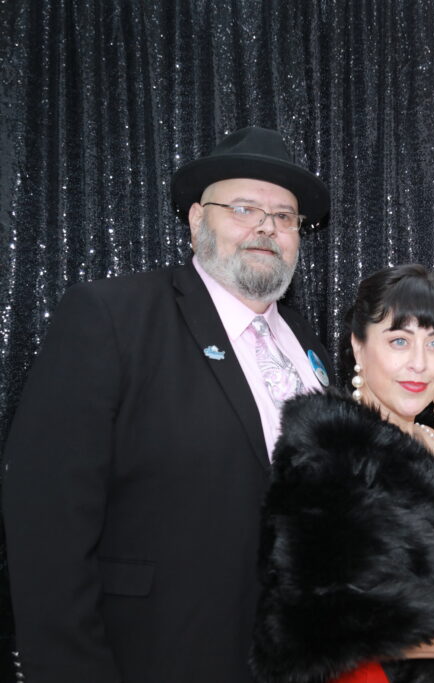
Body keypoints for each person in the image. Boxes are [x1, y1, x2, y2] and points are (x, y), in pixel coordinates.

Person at [2, 126, 332, 682]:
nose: (266, 227)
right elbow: (46, 519)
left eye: (285, 216)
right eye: (244, 207)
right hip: (156, 656)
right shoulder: (113, 316)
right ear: (197, 220)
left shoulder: (308, 346)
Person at [250, 264, 434, 683]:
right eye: (399, 341)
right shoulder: (329, 448)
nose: (419, 364)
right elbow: (303, 626)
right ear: (359, 346)